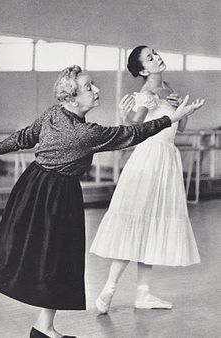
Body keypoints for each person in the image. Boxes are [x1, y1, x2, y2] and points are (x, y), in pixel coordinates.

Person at [0, 65, 203, 338]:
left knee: (54, 257)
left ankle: (44, 327)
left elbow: (25, 136)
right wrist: (172, 118)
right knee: (15, 254)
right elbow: (130, 135)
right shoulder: (85, 134)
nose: (96, 89)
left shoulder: (54, 113)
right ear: (72, 98)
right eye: (89, 87)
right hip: (53, 192)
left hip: (38, 186)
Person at [90, 46, 205, 314]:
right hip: (149, 159)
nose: (157, 58)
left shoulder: (168, 87)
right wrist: (126, 115)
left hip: (168, 158)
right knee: (136, 220)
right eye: (150, 58)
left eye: (155, 53)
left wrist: (186, 111)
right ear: (142, 70)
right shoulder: (146, 94)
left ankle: (143, 293)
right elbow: (134, 129)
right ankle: (108, 289)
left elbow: (179, 127)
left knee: (153, 223)